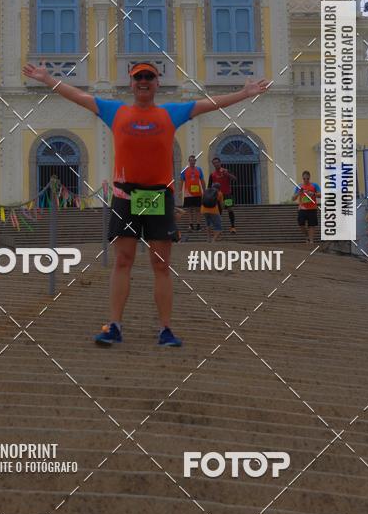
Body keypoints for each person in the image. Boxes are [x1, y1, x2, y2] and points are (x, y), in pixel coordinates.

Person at [23, 60, 269, 347]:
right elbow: (78, 96)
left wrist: (245, 93)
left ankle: (165, 329)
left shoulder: (170, 113)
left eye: (149, 77)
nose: (144, 81)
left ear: (157, 83)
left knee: (160, 264)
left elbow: (209, 103)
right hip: (125, 196)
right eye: (138, 77)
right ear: (131, 83)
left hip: (157, 196)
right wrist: (47, 79)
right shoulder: (115, 111)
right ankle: (114, 325)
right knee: (122, 261)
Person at [208, 156, 238, 233]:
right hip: (217, 196)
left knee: (230, 209)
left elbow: (235, 179)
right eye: (214, 163)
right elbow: (209, 186)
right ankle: (218, 228)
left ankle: (232, 227)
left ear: (220, 163)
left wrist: (227, 174)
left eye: (217, 162)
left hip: (227, 195)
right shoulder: (212, 175)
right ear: (213, 165)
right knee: (218, 212)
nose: (216, 164)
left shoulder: (226, 171)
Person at [292, 171, 321, 243]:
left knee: (312, 225)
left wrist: (313, 194)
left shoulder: (315, 185)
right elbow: (293, 198)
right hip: (302, 209)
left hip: (312, 208)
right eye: (304, 178)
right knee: (301, 224)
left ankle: (311, 241)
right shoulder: (299, 186)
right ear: (302, 178)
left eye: (307, 178)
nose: (306, 180)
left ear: (309, 178)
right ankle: (307, 236)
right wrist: (299, 193)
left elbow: (321, 195)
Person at [180, 155, 205, 231]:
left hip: (198, 193)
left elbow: (202, 180)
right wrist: (180, 191)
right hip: (188, 194)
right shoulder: (185, 170)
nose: (192, 162)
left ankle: (198, 225)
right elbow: (181, 181)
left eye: (193, 160)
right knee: (190, 209)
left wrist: (205, 190)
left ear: (195, 161)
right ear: (189, 161)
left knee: (198, 209)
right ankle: (190, 225)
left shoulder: (199, 169)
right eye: (190, 160)